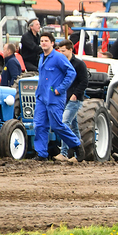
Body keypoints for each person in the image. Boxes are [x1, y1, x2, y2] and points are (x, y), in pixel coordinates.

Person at [33, 32, 84, 162]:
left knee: (57, 126)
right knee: (39, 125)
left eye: (46, 41)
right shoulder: (41, 57)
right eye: (42, 40)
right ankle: (41, 154)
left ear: (52, 43)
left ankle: (76, 145)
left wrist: (60, 89)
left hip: (54, 97)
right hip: (41, 97)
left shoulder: (58, 57)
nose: (43, 43)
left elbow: (71, 72)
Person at [55, 39, 89, 162]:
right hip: (63, 99)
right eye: (60, 51)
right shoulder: (61, 64)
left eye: (63, 51)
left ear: (70, 50)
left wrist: (76, 94)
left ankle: (63, 153)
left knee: (64, 123)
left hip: (74, 99)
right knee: (74, 127)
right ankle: (78, 155)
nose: (61, 53)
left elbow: (84, 81)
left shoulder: (79, 64)